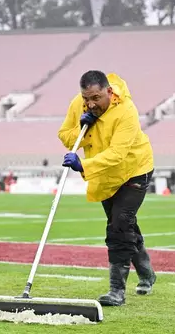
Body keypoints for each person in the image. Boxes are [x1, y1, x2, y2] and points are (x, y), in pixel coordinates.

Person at [57, 70, 156, 307]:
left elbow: (118, 154)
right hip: (104, 176)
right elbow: (66, 136)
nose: (90, 104)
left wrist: (83, 164)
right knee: (124, 224)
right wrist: (82, 126)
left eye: (96, 98)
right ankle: (147, 273)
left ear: (109, 92)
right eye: (86, 99)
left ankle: (116, 291)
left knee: (119, 224)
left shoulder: (126, 111)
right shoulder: (78, 105)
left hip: (134, 169)